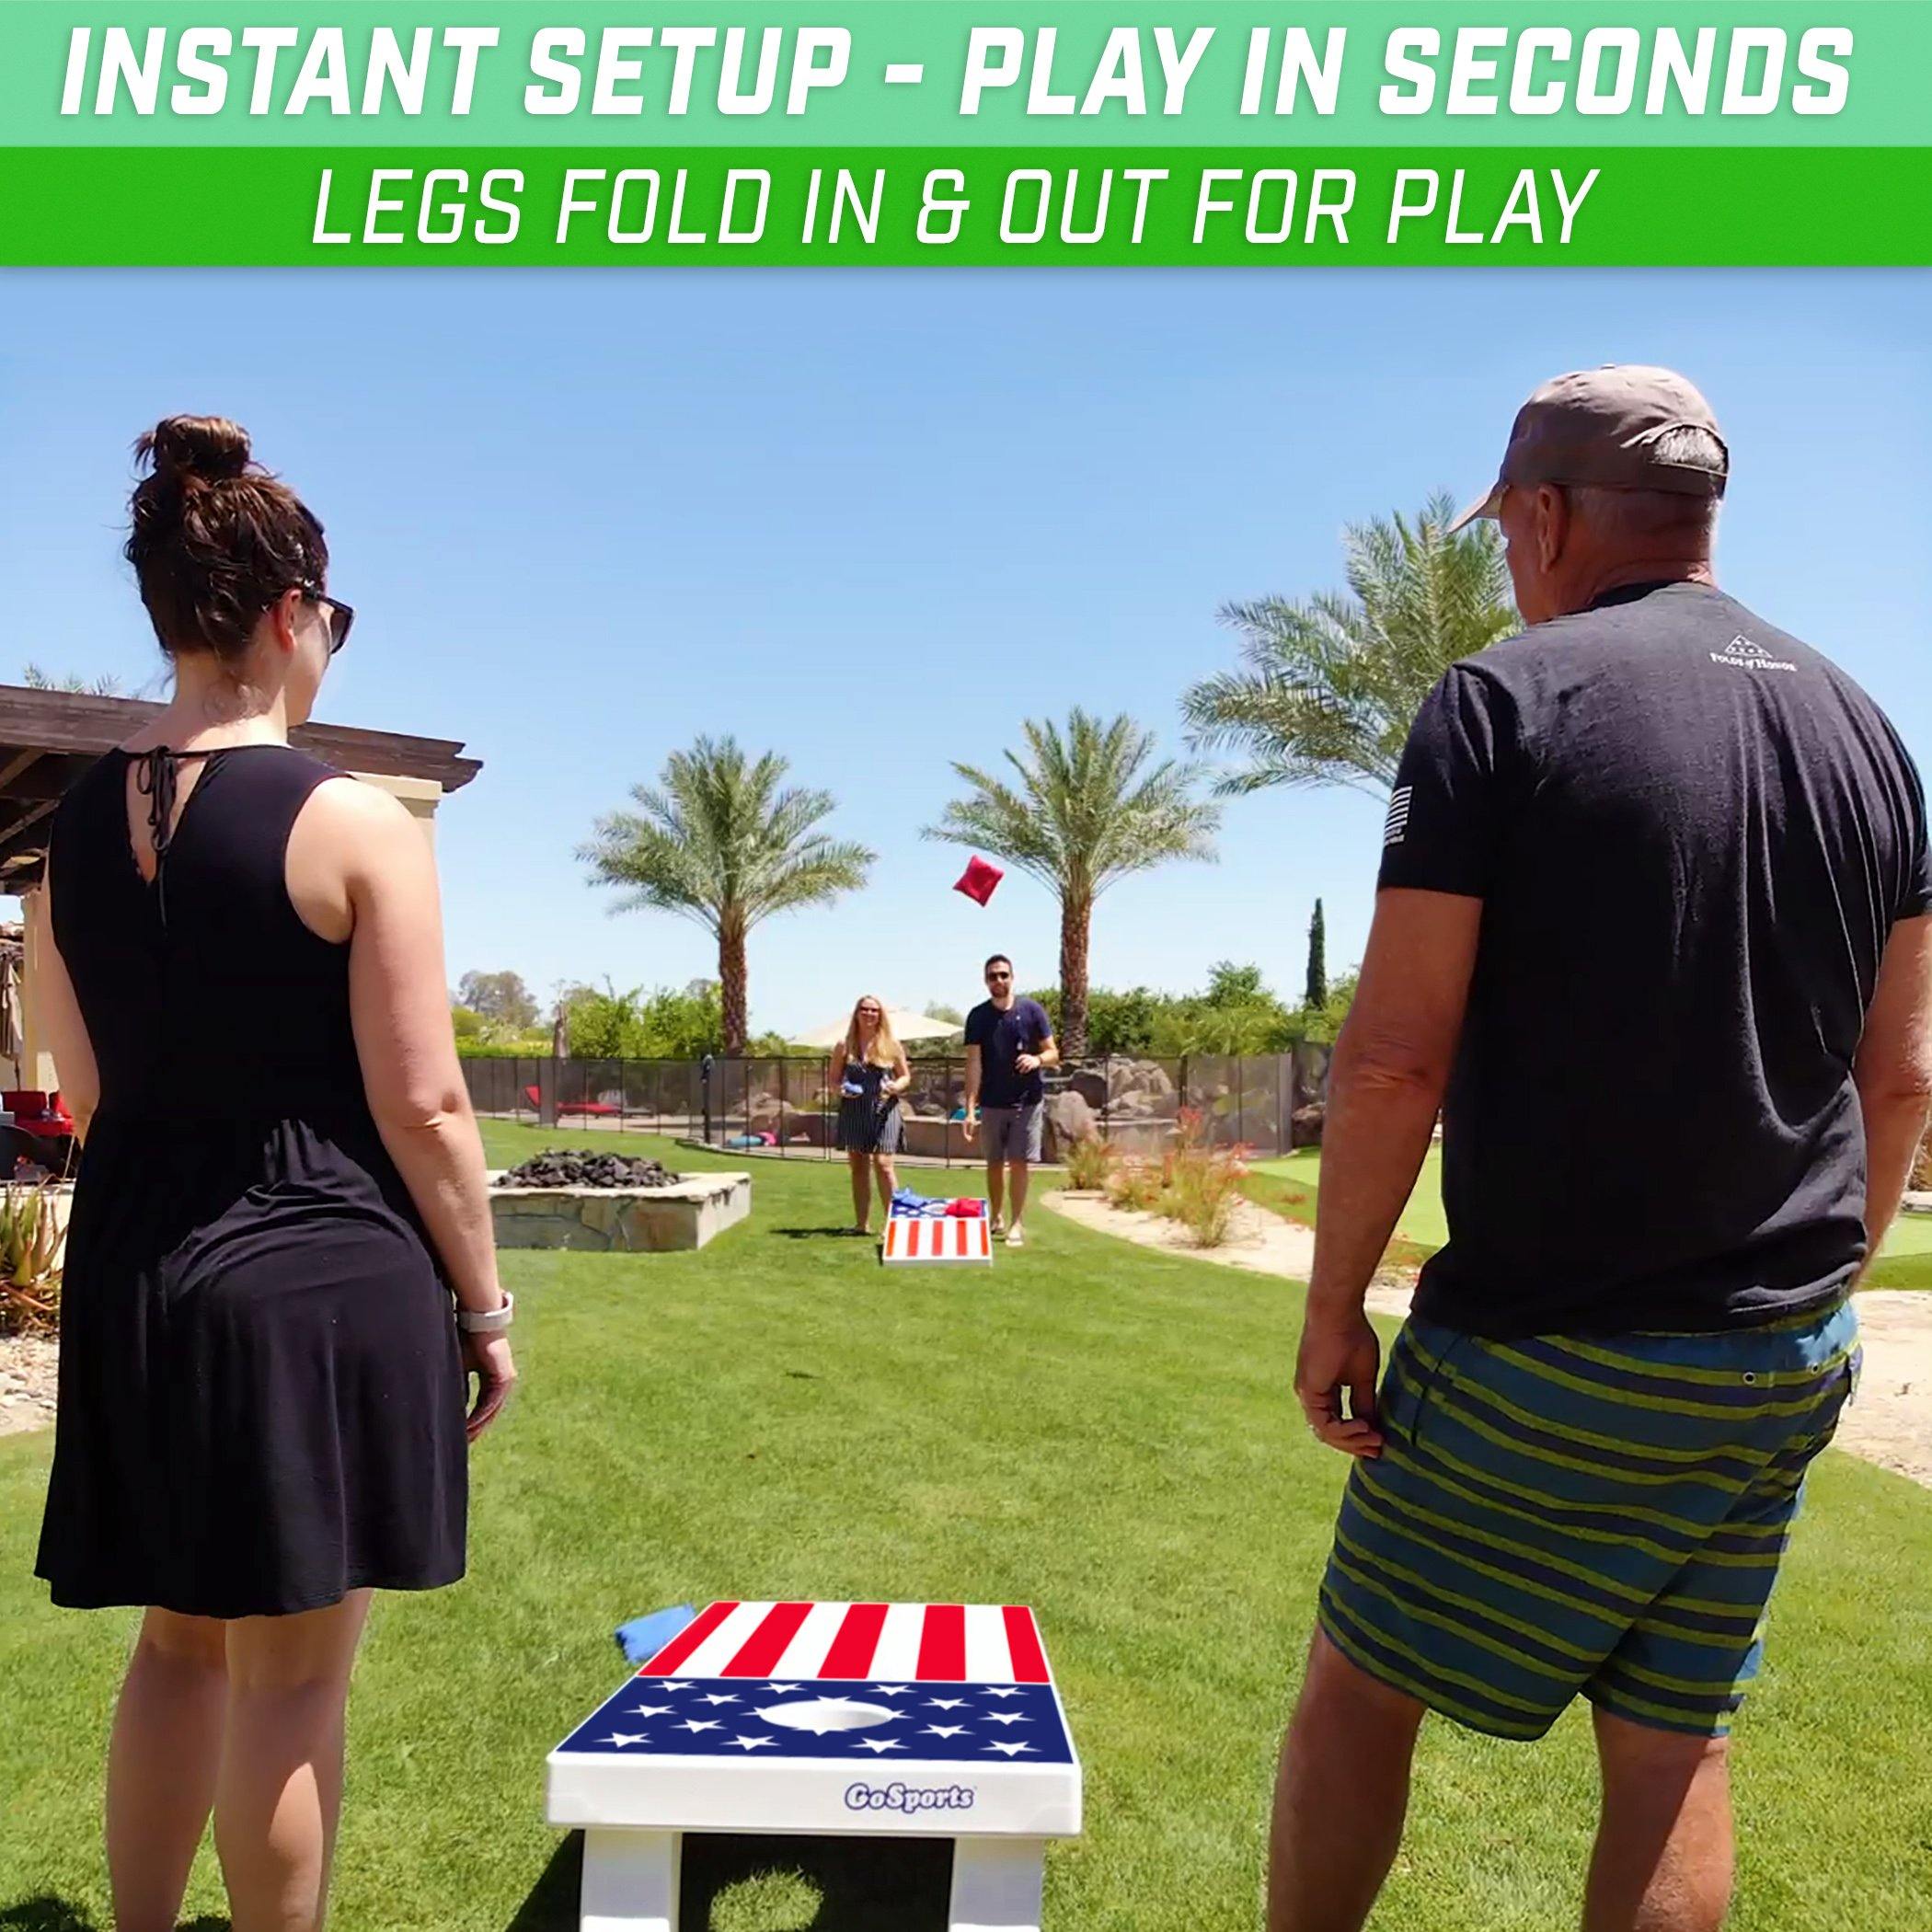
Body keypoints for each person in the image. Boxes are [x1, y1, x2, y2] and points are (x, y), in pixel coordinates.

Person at [1269, 366, 1932, 1932]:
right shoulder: (1869, 736)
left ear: (1549, 515)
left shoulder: (1503, 701)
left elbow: (1392, 1058)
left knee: (1360, 1692)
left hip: (1547, 1343)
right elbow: (1900, 1081)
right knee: (1675, 1745)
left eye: (1508, 528)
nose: (1510, 560)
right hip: (1774, 1363)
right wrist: (1827, 1290)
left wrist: (1330, 1310)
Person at [31, 415, 515, 1932]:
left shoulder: (66, 846)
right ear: (295, 615)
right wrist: (487, 1307)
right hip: (315, 1270)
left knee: (176, 1648)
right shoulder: (356, 821)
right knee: (294, 1678)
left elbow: (87, 1093)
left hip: (138, 1269)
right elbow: (427, 1102)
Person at [962, 955, 1058, 1246]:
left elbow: (1054, 1054)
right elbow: (974, 1065)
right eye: (993, 976)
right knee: (994, 1163)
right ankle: (997, 1216)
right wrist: (969, 1109)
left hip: (1027, 1102)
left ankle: (1016, 1223)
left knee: (1019, 1163)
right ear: (985, 981)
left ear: (1012, 977)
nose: (999, 981)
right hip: (992, 1103)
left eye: (1003, 975)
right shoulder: (978, 1017)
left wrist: (1037, 1059)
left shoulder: (1031, 1011)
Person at [831, 994, 910, 1234]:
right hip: (855, 1109)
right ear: (856, 1014)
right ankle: (861, 1224)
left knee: (884, 1164)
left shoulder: (892, 1045)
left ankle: (894, 1224)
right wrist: (841, 1090)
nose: (869, 1014)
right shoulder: (843, 1046)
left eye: (874, 1010)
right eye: (864, 1010)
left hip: (885, 1108)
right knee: (858, 1166)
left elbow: (905, 1076)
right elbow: (833, 1081)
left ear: (880, 1015)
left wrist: (897, 1085)